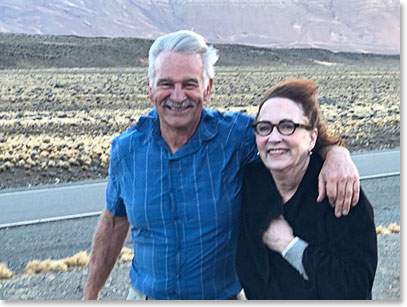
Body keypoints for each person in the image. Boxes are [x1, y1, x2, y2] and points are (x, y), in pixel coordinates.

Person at [83, 30, 360, 300]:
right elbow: (114, 223)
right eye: (166, 83)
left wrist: (335, 152)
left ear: (208, 88)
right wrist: (90, 294)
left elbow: (290, 135)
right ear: (150, 88)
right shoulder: (127, 149)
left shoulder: (235, 137)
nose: (177, 96)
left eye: (189, 84)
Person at [236, 79, 377, 300]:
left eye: (287, 126)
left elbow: (355, 288)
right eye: (264, 128)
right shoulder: (250, 183)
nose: (274, 138)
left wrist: (288, 245)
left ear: (312, 138)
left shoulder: (339, 193)